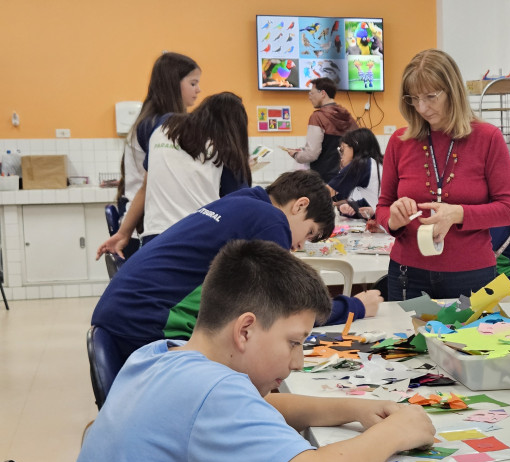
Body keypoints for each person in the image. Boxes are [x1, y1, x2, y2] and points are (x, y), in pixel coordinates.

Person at [62, 240, 434, 462]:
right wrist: (397, 431)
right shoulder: (214, 394)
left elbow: (256, 408)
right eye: (293, 343)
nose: (299, 362)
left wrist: (353, 408)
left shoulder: (158, 356)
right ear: (245, 330)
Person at [92, 170, 382, 365]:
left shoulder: (244, 201)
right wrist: (354, 306)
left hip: (121, 312)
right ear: (299, 206)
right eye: (308, 233)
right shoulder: (271, 221)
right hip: (146, 324)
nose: (298, 247)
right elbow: (285, 309)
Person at [374, 49, 510, 300]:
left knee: (469, 340)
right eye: (414, 98)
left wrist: (458, 213)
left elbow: (507, 210)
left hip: (473, 274)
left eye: (431, 97)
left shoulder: (488, 138)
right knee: (407, 340)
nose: (422, 107)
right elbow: (383, 207)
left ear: (452, 91)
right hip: (408, 273)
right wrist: (393, 220)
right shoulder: (400, 141)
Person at [98, 91, 251, 256]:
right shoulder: (226, 146)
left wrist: (123, 234)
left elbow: (145, 188)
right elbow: (238, 205)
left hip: (154, 239)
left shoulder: (164, 125)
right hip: (199, 240)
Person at [119, 52, 201, 258]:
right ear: (173, 84)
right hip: (144, 222)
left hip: (147, 218)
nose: (198, 90)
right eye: (193, 83)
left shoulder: (153, 122)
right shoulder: (157, 127)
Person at [286, 77, 358, 182]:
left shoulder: (318, 117)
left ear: (322, 93)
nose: (310, 97)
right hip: (347, 175)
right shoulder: (348, 116)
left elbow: (312, 153)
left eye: (311, 93)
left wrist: (296, 154)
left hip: (324, 178)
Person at [331, 127, 384, 219]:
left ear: (355, 148)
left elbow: (328, 192)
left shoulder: (362, 165)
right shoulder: (376, 163)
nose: (341, 156)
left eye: (342, 150)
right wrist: (344, 207)